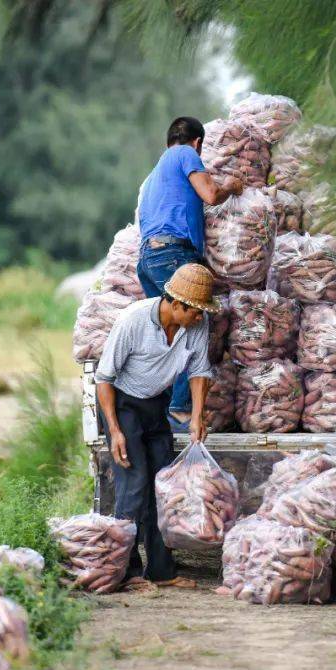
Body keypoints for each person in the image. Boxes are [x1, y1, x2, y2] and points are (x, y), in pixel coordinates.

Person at [94, 263, 219, 591]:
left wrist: (197, 416)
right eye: (195, 313)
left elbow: (200, 370)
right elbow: (104, 378)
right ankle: (125, 571)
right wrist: (115, 431)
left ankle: (161, 571)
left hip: (154, 405)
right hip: (122, 405)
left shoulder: (196, 323)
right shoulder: (133, 321)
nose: (200, 319)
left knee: (163, 488)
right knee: (134, 485)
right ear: (176, 305)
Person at [137, 116, 243, 432]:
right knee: (194, 323)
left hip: (149, 258)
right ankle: (180, 409)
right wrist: (232, 187)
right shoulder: (185, 153)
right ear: (197, 142)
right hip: (173, 254)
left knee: (165, 331)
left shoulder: (155, 175)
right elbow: (210, 194)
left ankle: (156, 405)